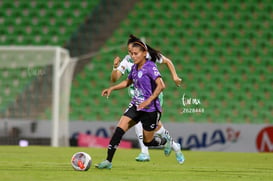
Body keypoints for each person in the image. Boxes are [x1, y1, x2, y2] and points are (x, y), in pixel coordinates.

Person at [95, 41, 173, 169]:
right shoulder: (134, 68)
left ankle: (165, 141)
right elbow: (127, 82)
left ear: (144, 54)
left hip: (150, 109)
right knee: (119, 130)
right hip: (136, 105)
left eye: (135, 53)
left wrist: (149, 100)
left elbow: (161, 85)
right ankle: (108, 161)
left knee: (148, 142)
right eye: (131, 53)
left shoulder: (150, 66)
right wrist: (112, 88)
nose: (133, 56)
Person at [110, 35, 184, 164]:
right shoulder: (127, 60)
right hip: (137, 97)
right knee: (157, 128)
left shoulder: (149, 57)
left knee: (140, 122)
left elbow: (167, 61)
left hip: (153, 97)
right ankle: (174, 145)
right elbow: (115, 78)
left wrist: (175, 77)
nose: (131, 53)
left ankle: (145, 152)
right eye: (129, 50)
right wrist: (115, 67)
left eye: (133, 49)